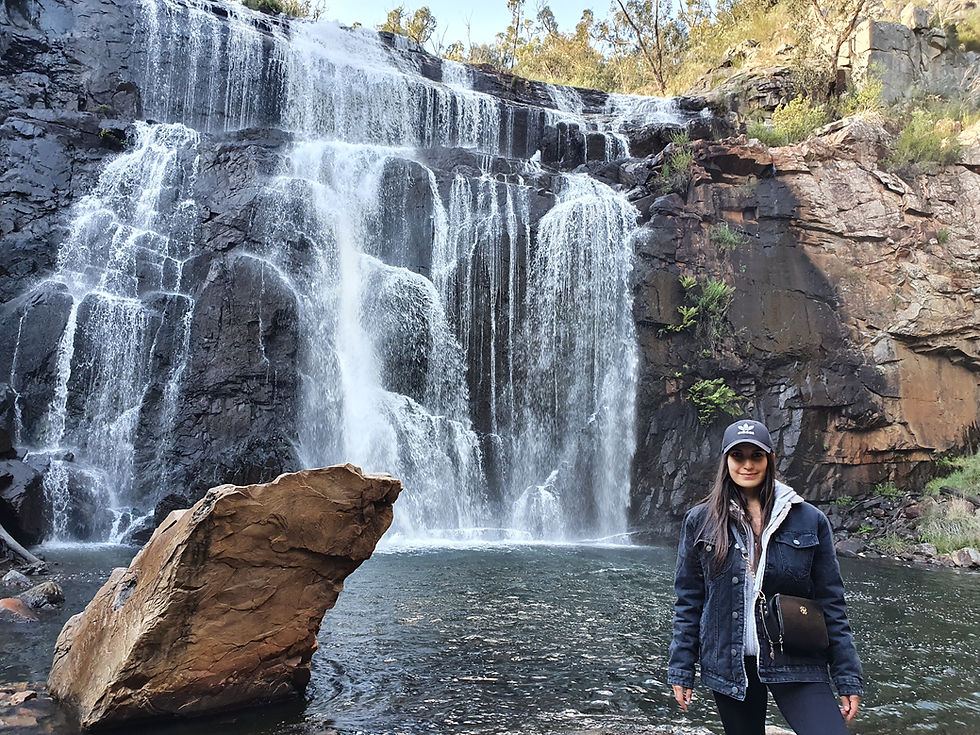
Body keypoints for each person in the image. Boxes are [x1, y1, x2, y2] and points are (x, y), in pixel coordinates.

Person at [667, 419, 863, 735]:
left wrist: (846, 675)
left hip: (797, 656)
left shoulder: (809, 519)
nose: (747, 465)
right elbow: (690, 601)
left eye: (756, 456)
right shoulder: (700, 521)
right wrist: (681, 668)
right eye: (738, 456)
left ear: (770, 459)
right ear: (725, 461)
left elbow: (831, 602)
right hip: (730, 662)